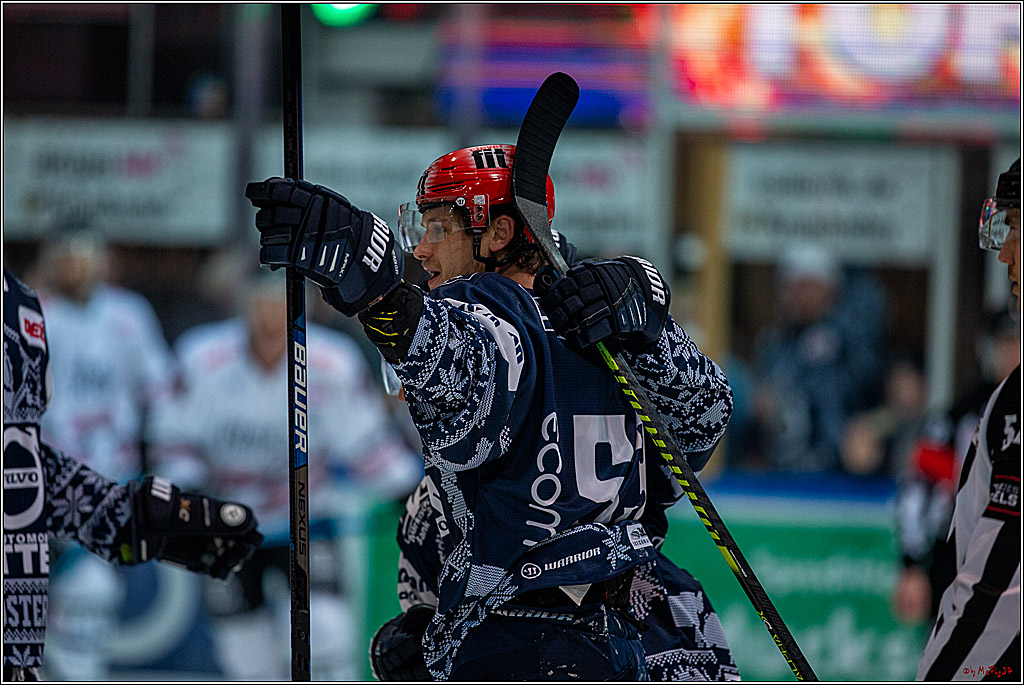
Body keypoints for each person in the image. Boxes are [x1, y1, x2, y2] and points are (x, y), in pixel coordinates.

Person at [246, 143, 734, 680]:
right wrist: (652, 322)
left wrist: (380, 289)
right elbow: (701, 427)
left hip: (525, 635)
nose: (422, 252)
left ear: (497, 235)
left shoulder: (495, 309)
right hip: (649, 627)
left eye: (436, 229)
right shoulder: (603, 319)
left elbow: (465, 383)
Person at [151, 270, 422, 680]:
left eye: (283, 304)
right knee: (243, 652)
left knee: (326, 631)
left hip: (308, 522)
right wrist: (189, 491)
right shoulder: (201, 357)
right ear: (244, 306)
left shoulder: (331, 362)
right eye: (262, 304)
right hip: (229, 524)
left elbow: (367, 443)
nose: (272, 317)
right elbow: (171, 438)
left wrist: (406, 490)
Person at [3, 267, 263, 682]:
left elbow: (17, 452)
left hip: (18, 623)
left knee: (88, 596)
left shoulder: (18, 301)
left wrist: (131, 518)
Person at [916, 158, 1020, 680]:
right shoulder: (992, 400)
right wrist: (912, 564)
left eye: (1017, 230)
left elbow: (1000, 584)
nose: (1005, 254)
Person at [893, 308, 1019, 625]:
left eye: (1019, 341)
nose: (1013, 352)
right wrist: (912, 565)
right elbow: (917, 491)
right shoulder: (954, 419)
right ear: (986, 349)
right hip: (959, 571)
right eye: (1005, 343)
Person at [749, 245, 883, 472]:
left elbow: (888, 399)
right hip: (783, 472)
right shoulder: (773, 344)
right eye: (797, 287)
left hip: (843, 473)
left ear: (831, 289)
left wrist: (873, 427)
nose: (804, 296)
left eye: (812, 286)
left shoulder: (853, 339)